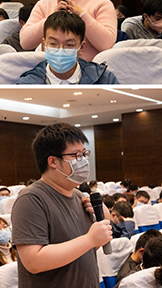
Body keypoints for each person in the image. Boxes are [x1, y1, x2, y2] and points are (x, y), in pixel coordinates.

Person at [11, 122, 113, 287]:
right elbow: (33, 261)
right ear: (53, 161)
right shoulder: (31, 199)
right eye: (76, 155)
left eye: (84, 154)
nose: (83, 161)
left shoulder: (79, 196)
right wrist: (89, 239)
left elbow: (82, 251)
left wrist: (102, 223)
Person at [17, 11, 119, 85]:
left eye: (69, 45)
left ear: (81, 47)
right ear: (44, 45)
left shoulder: (105, 80)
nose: (60, 50)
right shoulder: (27, 85)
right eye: (53, 43)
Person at [125, 0, 162, 72]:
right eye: (157, 18)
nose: (161, 22)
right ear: (146, 16)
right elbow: (131, 58)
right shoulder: (132, 32)